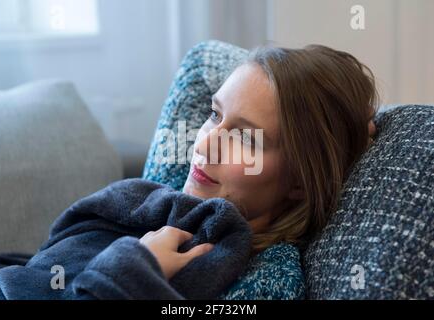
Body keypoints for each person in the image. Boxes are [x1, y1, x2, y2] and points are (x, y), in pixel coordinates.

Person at [143, 44, 379, 280]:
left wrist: (137, 273)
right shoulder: (175, 188)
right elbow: (199, 61)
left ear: (299, 182)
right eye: (215, 114)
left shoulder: (265, 281)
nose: (203, 146)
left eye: (245, 137)